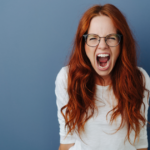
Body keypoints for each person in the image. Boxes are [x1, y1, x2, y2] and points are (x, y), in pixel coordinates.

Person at [55, 4, 150, 150]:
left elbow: (140, 142)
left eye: (111, 38)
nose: (102, 45)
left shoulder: (140, 79)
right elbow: (67, 142)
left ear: (121, 44)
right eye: (93, 38)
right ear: (83, 45)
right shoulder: (67, 79)